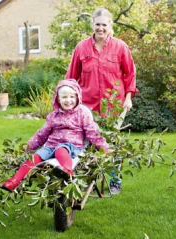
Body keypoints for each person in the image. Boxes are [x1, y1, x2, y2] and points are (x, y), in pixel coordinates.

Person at [65, 8, 138, 194]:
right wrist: (68, 102)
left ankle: (114, 182)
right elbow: (71, 78)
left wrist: (128, 98)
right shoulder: (81, 48)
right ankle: (83, 180)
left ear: (110, 26)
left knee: (111, 144)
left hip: (114, 106)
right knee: (85, 142)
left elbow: (130, 74)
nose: (101, 28)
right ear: (92, 25)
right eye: (97, 24)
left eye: (104, 25)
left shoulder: (120, 47)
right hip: (87, 107)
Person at [1, 79, 109, 192]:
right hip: (51, 146)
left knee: (61, 149)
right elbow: (41, 135)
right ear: (58, 99)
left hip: (72, 147)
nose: (68, 100)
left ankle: (67, 171)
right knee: (35, 157)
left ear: (78, 97)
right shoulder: (53, 116)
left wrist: (104, 148)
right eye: (64, 97)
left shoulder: (82, 114)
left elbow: (92, 133)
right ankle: (14, 181)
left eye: (72, 97)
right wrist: (26, 148)